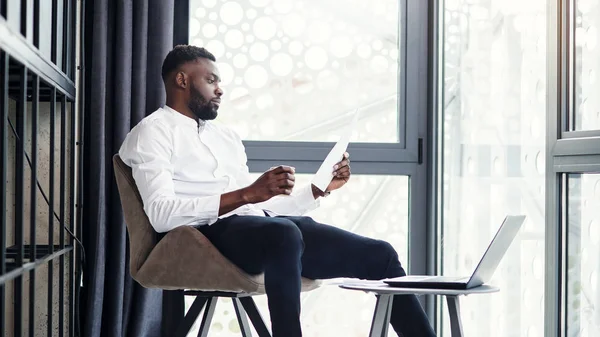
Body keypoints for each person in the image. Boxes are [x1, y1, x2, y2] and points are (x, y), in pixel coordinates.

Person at [119, 45, 436, 337]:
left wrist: (315, 191)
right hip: (204, 236)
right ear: (182, 79)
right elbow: (161, 215)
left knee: (380, 255)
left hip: (261, 232)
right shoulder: (152, 133)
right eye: (211, 79)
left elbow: (257, 214)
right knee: (283, 234)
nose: (221, 89)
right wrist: (246, 194)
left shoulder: (226, 137)